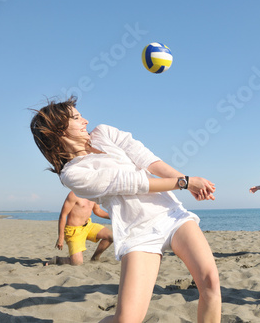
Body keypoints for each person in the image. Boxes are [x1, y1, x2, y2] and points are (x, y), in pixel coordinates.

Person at [30, 97, 221, 323]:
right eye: (77, 117)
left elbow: (148, 160)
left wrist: (186, 180)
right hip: (137, 233)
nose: (85, 120)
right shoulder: (72, 174)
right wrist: (185, 183)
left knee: (210, 282)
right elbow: (134, 183)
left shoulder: (104, 132)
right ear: (58, 130)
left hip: (171, 215)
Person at [47, 191, 113, 266]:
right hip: (74, 231)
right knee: (77, 262)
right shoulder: (74, 194)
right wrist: (61, 237)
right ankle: (58, 259)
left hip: (88, 226)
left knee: (111, 236)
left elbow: (97, 210)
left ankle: (95, 258)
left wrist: (113, 217)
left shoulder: (95, 194)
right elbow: (63, 215)